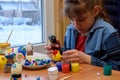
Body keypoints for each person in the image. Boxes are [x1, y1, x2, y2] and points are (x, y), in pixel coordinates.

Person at [45, 0, 120, 70]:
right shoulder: (70, 29)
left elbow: (117, 67)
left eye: (81, 19)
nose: (75, 25)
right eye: (71, 19)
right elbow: (70, 54)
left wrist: (87, 59)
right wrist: (59, 51)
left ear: (95, 11)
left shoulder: (108, 33)